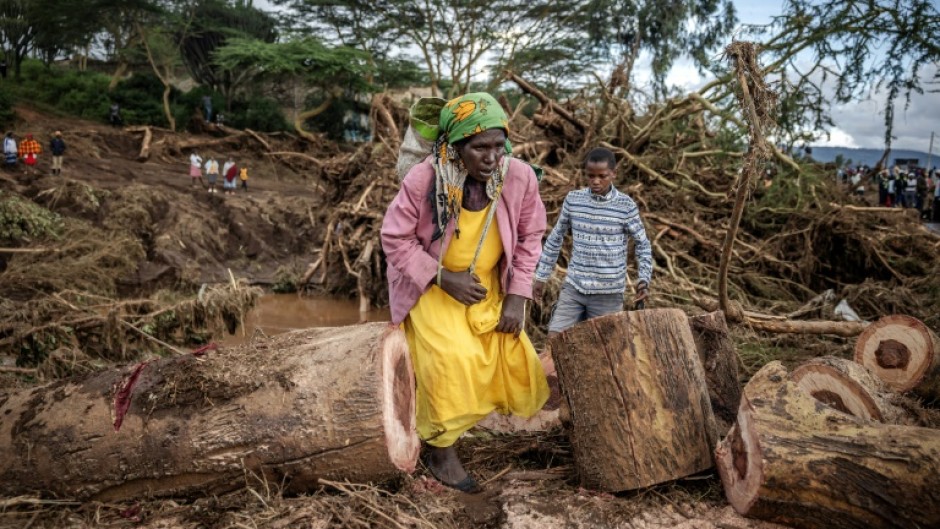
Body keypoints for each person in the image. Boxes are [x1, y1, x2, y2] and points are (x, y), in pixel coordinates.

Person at [381, 92, 549, 494]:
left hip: (485, 283)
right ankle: (441, 448)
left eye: (498, 145)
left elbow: (530, 237)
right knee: (449, 360)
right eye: (479, 147)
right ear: (456, 148)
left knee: (505, 352)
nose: (491, 156)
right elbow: (395, 238)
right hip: (432, 286)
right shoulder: (425, 178)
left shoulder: (519, 177)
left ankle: (452, 426)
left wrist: (516, 295)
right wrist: (442, 278)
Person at [532, 147, 653, 336]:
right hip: (574, 287)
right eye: (591, 176)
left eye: (602, 176)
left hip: (609, 294)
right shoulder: (574, 200)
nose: (596, 181)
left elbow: (643, 245)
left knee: (606, 353)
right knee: (555, 340)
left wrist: (644, 279)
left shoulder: (625, 206)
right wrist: (540, 277)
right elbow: (555, 239)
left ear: (613, 174)